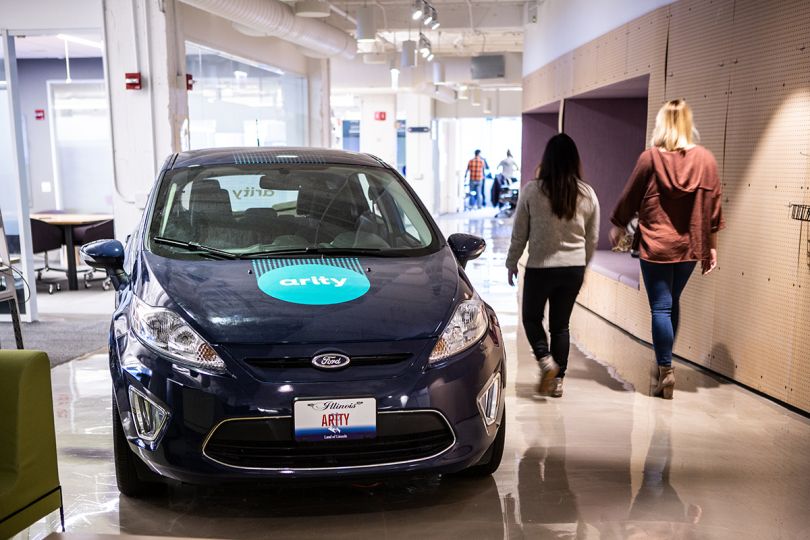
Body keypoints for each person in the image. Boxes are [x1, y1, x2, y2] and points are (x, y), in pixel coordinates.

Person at [610, 98, 724, 400]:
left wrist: (619, 225)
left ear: (662, 124)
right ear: (688, 123)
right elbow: (714, 208)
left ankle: (665, 369)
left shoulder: (650, 159)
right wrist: (712, 247)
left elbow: (630, 196)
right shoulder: (706, 161)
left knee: (661, 306)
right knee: (672, 302)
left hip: (656, 245)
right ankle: (666, 362)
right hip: (688, 248)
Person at [506, 134, 600, 397]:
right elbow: (591, 238)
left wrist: (512, 262)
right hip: (573, 269)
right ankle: (557, 381)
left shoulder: (532, 190)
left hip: (540, 268)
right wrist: (582, 265)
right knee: (561, 325)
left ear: (546, 160)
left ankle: (545, 360)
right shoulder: (587, 193)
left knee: (531, 318)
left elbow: (519, 233)